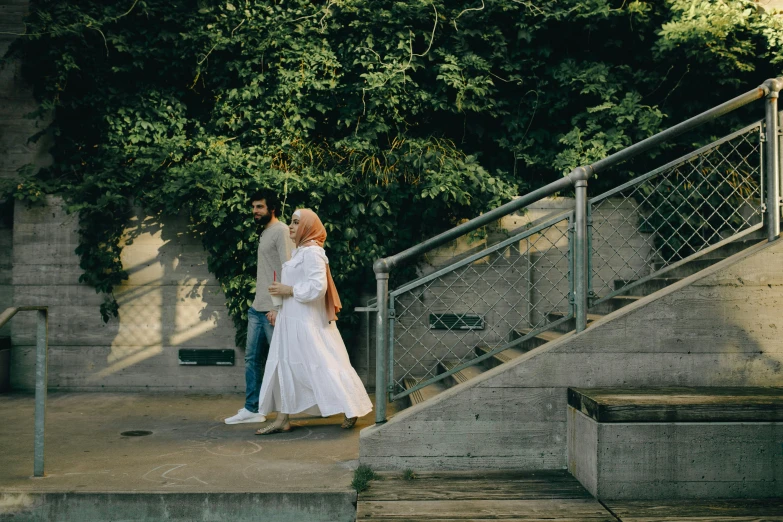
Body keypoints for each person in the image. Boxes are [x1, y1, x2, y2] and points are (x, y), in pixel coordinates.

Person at [254, 208, 372, 434]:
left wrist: (287, 290)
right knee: (283, 364)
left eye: (296, 222)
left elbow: (318, 287)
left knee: (324, 364)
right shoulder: (300, 252)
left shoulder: (313, 253)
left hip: (308, 324)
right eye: (291, 222)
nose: (291, 226)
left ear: (308, 227)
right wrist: (279, 308)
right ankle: (283, 418)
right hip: (291, 321)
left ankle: (350, 407)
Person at [224, 190, 293, 425]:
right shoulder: (264, 232)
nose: (255, 211)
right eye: (253, 207)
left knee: (281, 362)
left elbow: (289, 269)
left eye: (260, 207)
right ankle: (253, 409)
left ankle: (286, 413)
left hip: (273, 310)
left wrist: (279, 308)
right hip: (258, 307)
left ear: (271, 208)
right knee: (252, 359)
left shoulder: (282, 231)